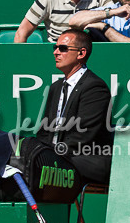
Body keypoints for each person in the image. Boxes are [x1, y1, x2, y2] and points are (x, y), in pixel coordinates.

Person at [17, 29, 113, 203]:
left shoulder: (95, 87)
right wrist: (38, 152)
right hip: (61, 157)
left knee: (40, 169)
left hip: (87, 160)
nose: (55, 52)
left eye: (62, 48)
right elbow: (44, 132)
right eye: (55, 47)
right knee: (24, 163)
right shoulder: (56, 87)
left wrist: (51, 155)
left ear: (81, 53)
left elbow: (84, 136)